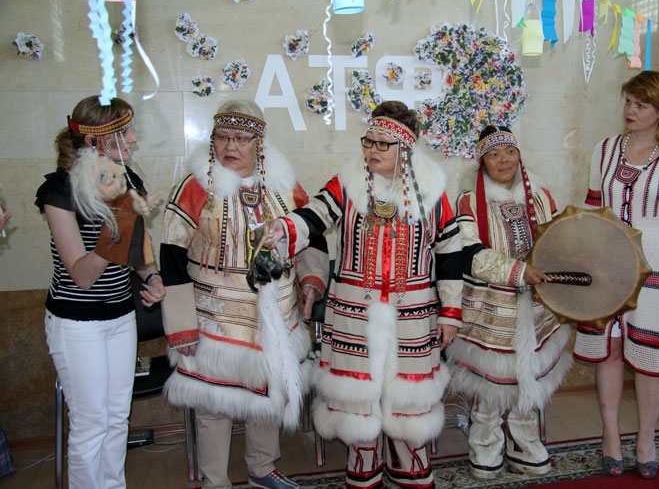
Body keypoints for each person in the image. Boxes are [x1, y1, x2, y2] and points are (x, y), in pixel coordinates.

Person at [262, 101, 465, 488]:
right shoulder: (347, 183)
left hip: (413, 313)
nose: (372, 150)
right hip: (354, 310)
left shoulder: (433, 192)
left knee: (408, 392)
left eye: (382, 144)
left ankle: (408, 459)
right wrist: (284, 228)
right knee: (357, 391)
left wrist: (450, 312)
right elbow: (315, 216)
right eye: (368, 141)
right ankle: (364, 457)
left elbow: (451, 253)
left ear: (405, 147)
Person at [159, 100, 326, 489]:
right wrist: (181, 325)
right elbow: (171, 255)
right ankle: (214, 480)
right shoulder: (195, 187)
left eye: (240, 138)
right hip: (216, 314)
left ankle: (262, 468)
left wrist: (311, 282)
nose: (230, 146)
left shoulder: (285, 185)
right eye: (221, 137)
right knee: (214, 401)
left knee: (269, 391)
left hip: (277, 312)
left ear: (259, 143)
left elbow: (312, 236)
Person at [574, 71, 659, 480]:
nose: (630, 110)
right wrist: (585, 262)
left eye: (640, 104)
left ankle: (646, 440)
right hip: (608, 265)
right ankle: (610, 437)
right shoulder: (606, 149)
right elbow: (593, 209)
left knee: (650, 357)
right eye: (628, 101)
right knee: (609, 348)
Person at [34, 96, 165, 489]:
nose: (133, 139)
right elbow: (81, 276)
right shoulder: (59, 191)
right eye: (125, 132)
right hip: (77, 323)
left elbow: (140, 252)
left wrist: (153, 278)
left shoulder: (127, 180)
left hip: (120, 317)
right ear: (95, 140)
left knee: (116, 418)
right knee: (91, 424)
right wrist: (118, 225)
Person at [448, 126, 572, 479]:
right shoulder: (469, 202)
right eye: (494, 154)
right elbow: (469, 253)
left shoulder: (541, 197)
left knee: (529, 381)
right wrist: (518, 272)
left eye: (509, 152)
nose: (504, 160)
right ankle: (485, 446)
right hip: (490, 308)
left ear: (519, 155)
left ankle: (524, 443)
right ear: (482, 162)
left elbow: (559, 241)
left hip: (537, 309)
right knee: (490, 388)